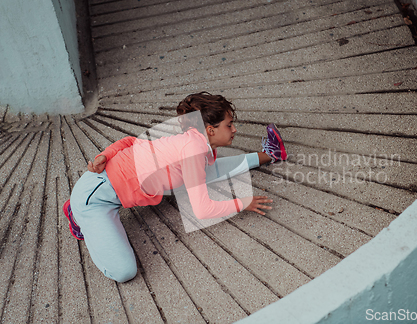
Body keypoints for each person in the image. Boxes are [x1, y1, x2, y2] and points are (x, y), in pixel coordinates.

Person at [63, 92, 287, 282]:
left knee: (208, 172)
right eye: (229, 125)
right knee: (124, 272)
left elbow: (130, 142)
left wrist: (266, 158)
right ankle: (76, 215)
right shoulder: (193, 150)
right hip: (93, 200)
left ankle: (270, 153)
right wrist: (243, 203)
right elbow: (203, 210)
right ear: (210, 130)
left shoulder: (195, 141)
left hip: (112, 189)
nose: (234, 129)